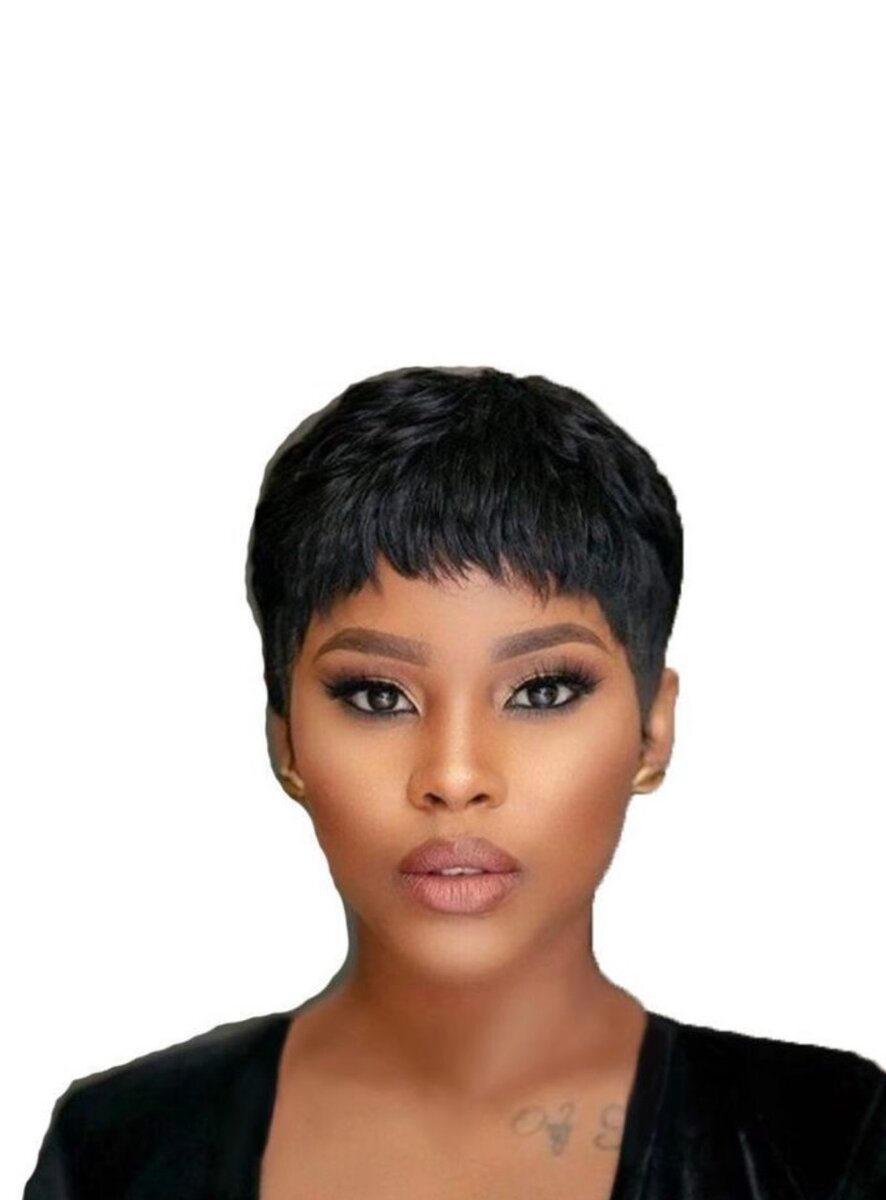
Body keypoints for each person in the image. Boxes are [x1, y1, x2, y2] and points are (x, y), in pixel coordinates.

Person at [23, 366, 886, 1198]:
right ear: (285, 737)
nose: (454, 776)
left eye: (542, 691)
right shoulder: (118, 1150)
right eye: (377, 695)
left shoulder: (825, 1145)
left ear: (652, 729)